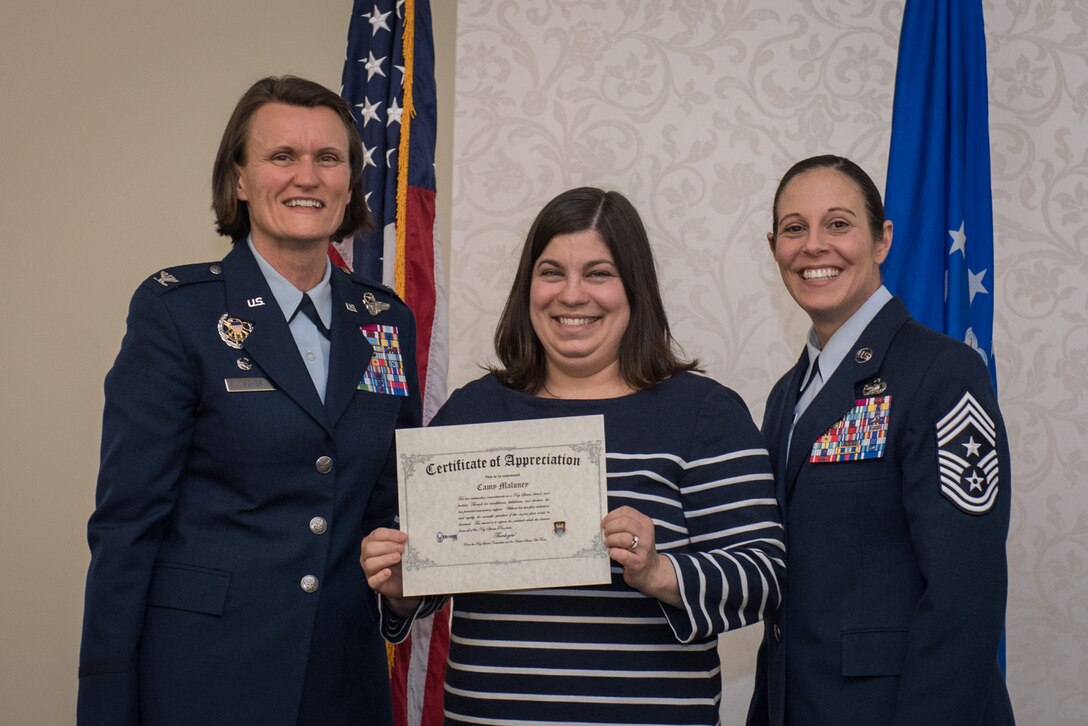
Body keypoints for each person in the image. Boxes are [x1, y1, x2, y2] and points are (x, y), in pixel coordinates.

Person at [362, 187, 785, 725]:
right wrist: (400, 588)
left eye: (599, 273)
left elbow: (764, 574)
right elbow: (416, 567)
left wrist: (659, 572)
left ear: (635, 288)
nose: (572, 295)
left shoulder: (703, 413)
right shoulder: (472, 411)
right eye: (552, 272)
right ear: (528, 286)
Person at [77, 76, 420, 726]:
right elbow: (127, 527)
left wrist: (404, 597)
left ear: (350, 182)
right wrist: (106, 703)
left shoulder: (383, 323)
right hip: (202, 679)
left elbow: (387, 505)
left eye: (328, 158)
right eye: (281, 156)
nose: (308, 176)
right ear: (239, 179)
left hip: (341, 683)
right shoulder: (177, 312)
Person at [747, 155, 1014, 725]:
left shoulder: (942, 373)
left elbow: (963, 597)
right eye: (795, 228)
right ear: (774, 247)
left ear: (882, 239)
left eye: (838, 224)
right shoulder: (784, 397)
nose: (814, 245)